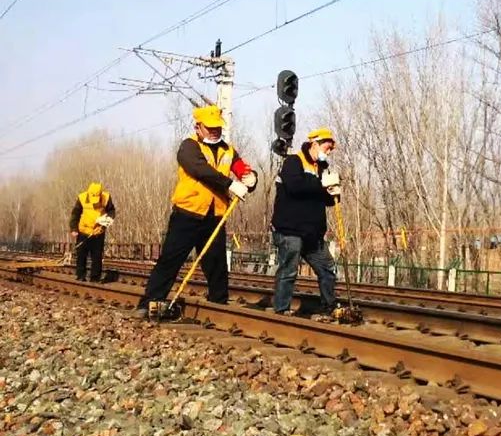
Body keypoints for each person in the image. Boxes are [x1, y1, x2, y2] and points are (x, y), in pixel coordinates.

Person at [134, 105, 257, 316]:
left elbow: (242, 169)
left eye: (217, 127)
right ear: (198, 127)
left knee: (216, 263)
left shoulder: (229, 150)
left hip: (215, 215)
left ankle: (218, 303)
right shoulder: (188, 147)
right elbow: (200, 170)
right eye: (210, 128)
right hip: (187, 213)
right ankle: (149, 302)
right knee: (171, 259)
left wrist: (251, 177)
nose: (214, 131)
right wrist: (230, 184)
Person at [270, 127, 340, 316]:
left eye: (331, 149)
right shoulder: (293, 161)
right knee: (289, 270)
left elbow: (325, 199)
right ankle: (282, 309)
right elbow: (295, 186)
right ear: (315, 144)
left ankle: (329, 306)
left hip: (313, 233)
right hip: (290, 229)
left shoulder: (322, 169)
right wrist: (321, 185)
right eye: (327, 147)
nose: (329, 151)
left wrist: (333, 194)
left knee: (327, 268)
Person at [69, 182, 116, 282]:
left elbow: (111, 211)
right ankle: (81, 275)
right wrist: (74, 229)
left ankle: (95, 277)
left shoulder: (106, 197)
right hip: (83, 231)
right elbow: (75, 214)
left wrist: (106, 222)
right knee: (81, 254)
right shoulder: (82, 197)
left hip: (98, 232)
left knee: (97, 255)